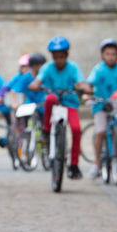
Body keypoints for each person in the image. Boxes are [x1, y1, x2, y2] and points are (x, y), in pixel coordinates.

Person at [29, 36, 90, 178]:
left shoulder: (73, 67)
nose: (58, 60)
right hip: (54, 103)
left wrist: (85, 88)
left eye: (61, 57)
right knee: (50, 98)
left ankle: (74, 165)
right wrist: (35, 86)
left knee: (76, 130)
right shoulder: (47, 68)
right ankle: (46, 130)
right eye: (55, 57)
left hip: (69, 103)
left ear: (66, 55)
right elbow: (37, 82)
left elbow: (81, 82)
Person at [85, 39, 117, 179]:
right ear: (102, 55)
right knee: (100, 132)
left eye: (113, 54)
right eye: (107, 54)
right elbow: (89, 84)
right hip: (101, 104)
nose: (110, 57)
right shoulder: (98, 69)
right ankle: (97, 163)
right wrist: (88, 94)